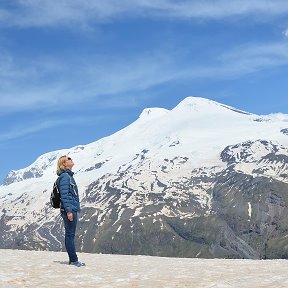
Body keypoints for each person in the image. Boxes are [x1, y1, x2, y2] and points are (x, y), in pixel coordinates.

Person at [56, 155, 85, 267]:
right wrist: (69, 211)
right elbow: (65, 195)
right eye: (68, 159)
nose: (71, 159)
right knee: (70, 235)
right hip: (69, 209)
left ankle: (73, 260)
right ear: (64, 164)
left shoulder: (68, 176)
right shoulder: (65, 177)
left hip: (71, 208)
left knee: (70, 235)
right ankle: (74, 260)